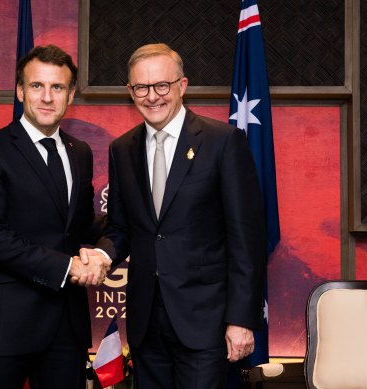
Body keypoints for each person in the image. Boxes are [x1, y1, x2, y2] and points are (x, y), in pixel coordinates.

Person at [87, 43, 267, 388]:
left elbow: (247, 238)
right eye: (141, 87)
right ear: (130, 91)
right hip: (145, 324)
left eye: (162, 86)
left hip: (206, 323)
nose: (152, 96)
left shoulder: (223, 142)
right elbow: (123, 227)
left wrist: (241, 320)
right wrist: (102, 253)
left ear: (182, 86)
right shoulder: (121, 149)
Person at [0, 45, 111, 389]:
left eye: (57, 87)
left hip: (66, 327)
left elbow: (80, 223)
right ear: (19, 91)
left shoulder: (80, 152)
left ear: (70, 94)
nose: (47, 97)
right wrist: (69, 267)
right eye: (36, 86)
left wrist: (121, 235)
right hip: (4, 325)